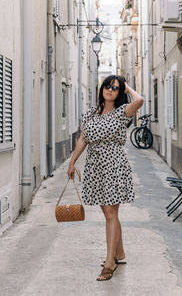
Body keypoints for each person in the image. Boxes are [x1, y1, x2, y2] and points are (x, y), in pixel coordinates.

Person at [67, 75, 144, 281]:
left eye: (115, 88)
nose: (110, 89)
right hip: (95, 167)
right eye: (108, 86)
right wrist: (73, 161)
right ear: (102, 89)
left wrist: (127, 87)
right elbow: (83, 138)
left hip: (114, 167)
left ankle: (110, 262)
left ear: (119, 93)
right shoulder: (91, 113)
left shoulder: (122, 112)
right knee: (108, 212)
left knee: (110, 212)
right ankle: (119, 253)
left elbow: (139, 101)